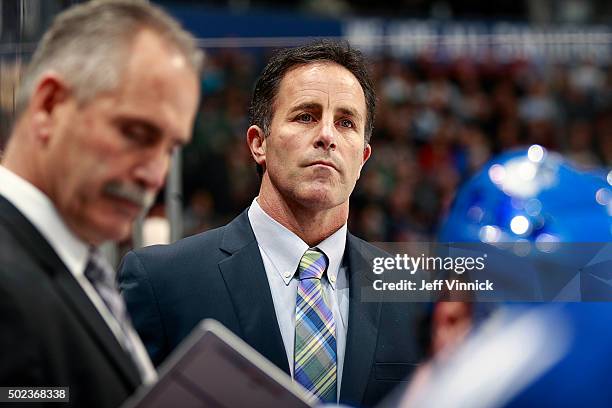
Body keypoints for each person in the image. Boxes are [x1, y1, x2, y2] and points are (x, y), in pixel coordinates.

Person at [119, 40, 429, 407]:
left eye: (346, 122)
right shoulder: (163, 282)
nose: (327, 136)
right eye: (305, 116)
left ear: (362, 158)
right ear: (258, 143)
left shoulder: (414, 297)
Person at [0, 1, 201, 407]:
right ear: (50, 106)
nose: (155, 175)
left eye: (170, 148)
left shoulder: (77, 268)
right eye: (137, 133)